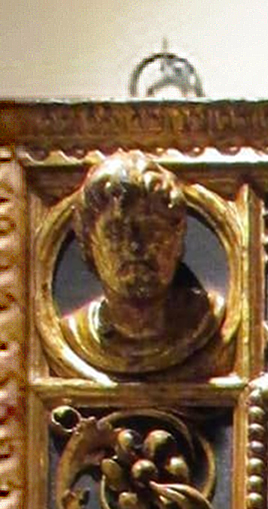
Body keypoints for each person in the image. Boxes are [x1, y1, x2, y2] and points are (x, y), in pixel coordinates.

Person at [62, 150, 224, 377]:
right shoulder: (75, 333)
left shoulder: (206, 319)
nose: (135, 246)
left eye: (151, 230)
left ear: (177, 242)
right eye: (116, 233)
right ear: (89, 245)